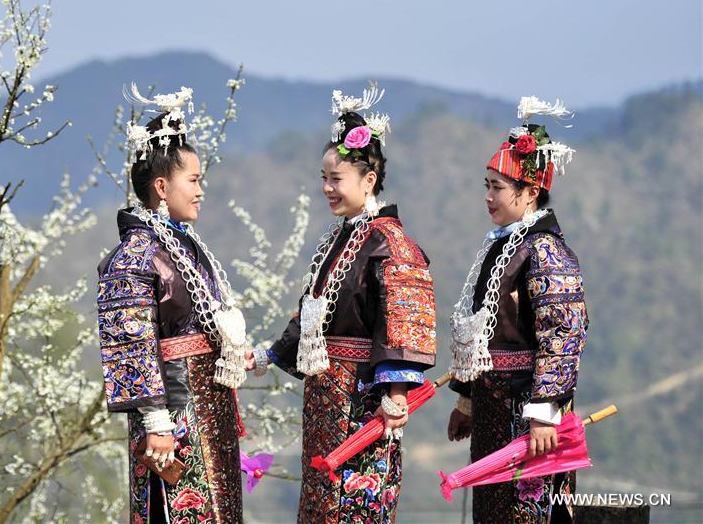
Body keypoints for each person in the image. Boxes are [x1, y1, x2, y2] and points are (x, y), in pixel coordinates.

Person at [248, 83, 437, 523]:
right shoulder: (338, 240)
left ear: (368, 180)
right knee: (321, 503)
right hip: (324, 403)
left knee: (356, 502)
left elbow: (403, 324)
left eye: (336, 179)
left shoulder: (391, 244)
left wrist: (394, 393)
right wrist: (268, 354)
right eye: (324, 178)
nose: (327, 188)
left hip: (362, 402)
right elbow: (312, 316)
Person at [97, 84, 246, 523]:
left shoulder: (184, 246)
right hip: (174, 418)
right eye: (194, 180)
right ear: (162, 187)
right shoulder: (136, 256)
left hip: (209, 412)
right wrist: (156, 424)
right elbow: (131, 347)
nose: (201, 191)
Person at [446, 96, 589, 523]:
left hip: (530, 414)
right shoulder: (501, 248)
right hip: (493, 411)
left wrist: (545, 412)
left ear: (529, 192)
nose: (488, 196)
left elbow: (562, 338)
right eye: (486, 185)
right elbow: (485, 335)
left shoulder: (546, 252)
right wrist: (468, 402)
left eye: (498, 187)